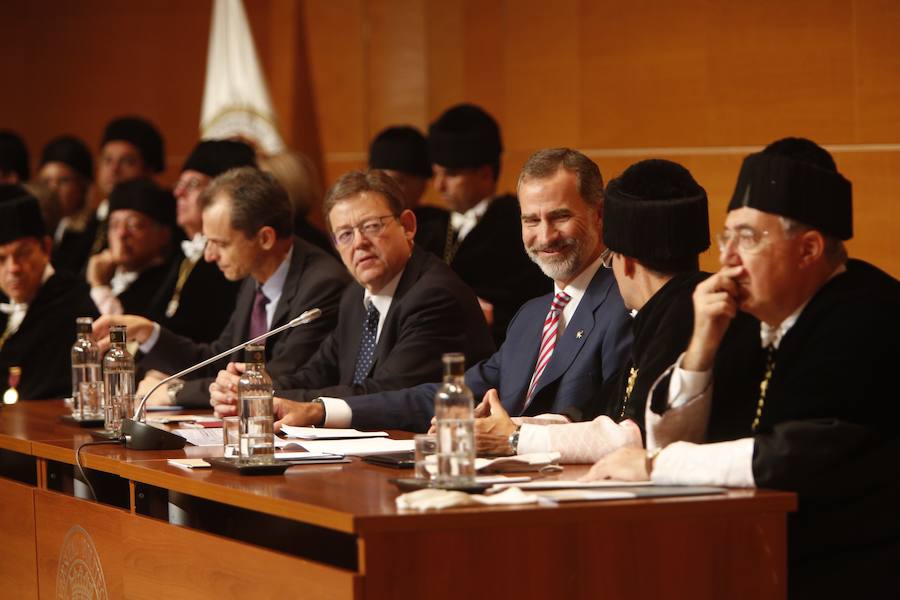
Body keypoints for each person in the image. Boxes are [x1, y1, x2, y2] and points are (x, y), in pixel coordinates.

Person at [584, 138, 900, 598]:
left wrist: (656, 465)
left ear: (808, 249)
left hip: (852, 569)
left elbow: (799, 455)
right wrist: (701, 346)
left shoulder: (870, 312)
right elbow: (673, 439)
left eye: (748, 239)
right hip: (757, 556)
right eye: (726, 237)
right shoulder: (749, 315)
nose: (727, 258)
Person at [274, 148, 632, 432]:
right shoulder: (532, 316)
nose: (545, 235)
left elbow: (614, 425)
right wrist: (322, 411)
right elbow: (447, 396)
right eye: (531, 220)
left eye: (560, 217)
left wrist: (511, 435)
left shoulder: (625, 305)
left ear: (599, 215)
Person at [475, 159, 711, 460]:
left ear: (624, 262)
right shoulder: (664, 310)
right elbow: (597, 412)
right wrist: (509, 427)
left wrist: (515, 438)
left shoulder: (681, 313)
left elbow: (638, 436)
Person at [209, 169, 495, 419]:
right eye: (345, 234)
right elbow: (317, 373)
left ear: (407, 226)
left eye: (371, 226)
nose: (359, 243)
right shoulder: (356, 296)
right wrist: (255, 389)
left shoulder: (433, 296)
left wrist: (282, 402)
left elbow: (384, 392)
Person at [93, 167, 350, 407]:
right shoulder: (255, 276)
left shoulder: (322, 284)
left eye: (221, 244)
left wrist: (174, 392)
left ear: (265, 238)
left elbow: (277, 379)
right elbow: (218, 359)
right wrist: (148, 332)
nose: (209, 256)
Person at [426, 104, 550, 344]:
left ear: (484, 173)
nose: (439, 186)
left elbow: (533, 302)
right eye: (435, 174)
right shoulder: (430, 228)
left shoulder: (518, 225)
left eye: (450, 175)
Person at [0, 186, 98, 400]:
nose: (13, 268)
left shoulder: (72, 307)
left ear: (46, 248)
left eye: (23, 253)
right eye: (1, 259)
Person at [153, 139, 251, 342]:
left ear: (224, 194)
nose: (178, 193)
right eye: (179, 184)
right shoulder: (184, 253)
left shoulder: (230, 263)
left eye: (193, 184)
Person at [86, 178, 177, 319]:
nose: (122, 234)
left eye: (134, 225)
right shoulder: (108, 273)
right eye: (114, 225)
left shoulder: (167, 285)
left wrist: (99, 286)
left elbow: (125, 334)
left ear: (163, 235)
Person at [88, 116, 166, 256]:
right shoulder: (91, 220)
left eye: (127, 162)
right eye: (108, 160)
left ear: (148, 170)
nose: (114, 170)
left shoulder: (159, 223)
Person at [368, 125, 447, 254]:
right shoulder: (358, 225)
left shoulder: (442, 229)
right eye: (378, 180)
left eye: (397, 181)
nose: (384, 189)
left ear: (422, 183)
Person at [38, 135, 97, 273]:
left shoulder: (93, 230)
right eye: (46, 181)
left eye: (63, 181)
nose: (53, 189)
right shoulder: (38, 230)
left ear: (83, 187)